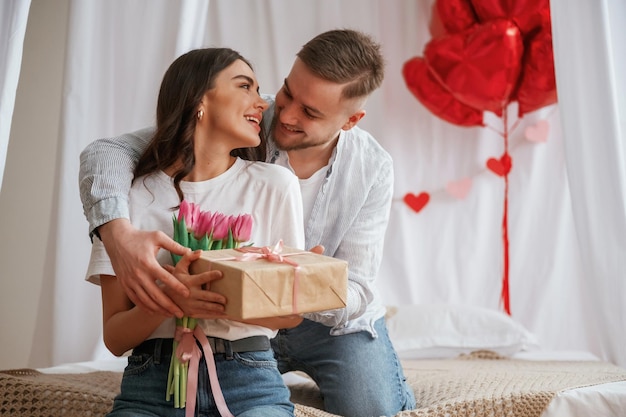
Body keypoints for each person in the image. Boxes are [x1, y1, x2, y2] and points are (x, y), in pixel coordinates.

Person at [80, 29, 416, 417]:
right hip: (238, 336)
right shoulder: (248, 117)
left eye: (310, 113)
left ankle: (391, 384)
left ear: (351, 120)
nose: (285, 115)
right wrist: (117, 231)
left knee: (372, 407)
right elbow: (110, 151)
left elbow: (355, 287)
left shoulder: (372, 168)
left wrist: (305, 280)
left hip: (324, 327)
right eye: (288, 92)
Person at [85, 47, 306, 417]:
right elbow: (114, 337)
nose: (262, 103)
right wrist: (171, 303)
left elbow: (290, 316)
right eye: (245, 86)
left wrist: (218, 298)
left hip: (250, 382)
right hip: (149, 386)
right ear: (199, 99)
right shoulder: (128, 198)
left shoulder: (275, 184)